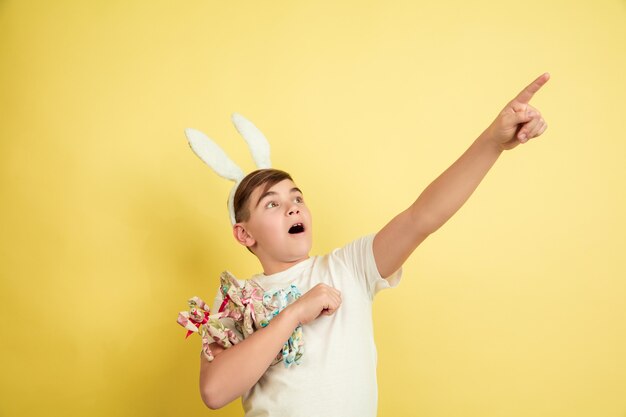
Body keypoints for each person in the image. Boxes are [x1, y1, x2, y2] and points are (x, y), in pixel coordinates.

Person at [182, 73, 550, 416]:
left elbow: (422, 217)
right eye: (272, 204)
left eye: (296, 197)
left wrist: (492, 142)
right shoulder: (235, 297)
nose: (292, 206)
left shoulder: (349, 267)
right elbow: (215, 392)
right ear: (245, 235)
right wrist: (293, 313)